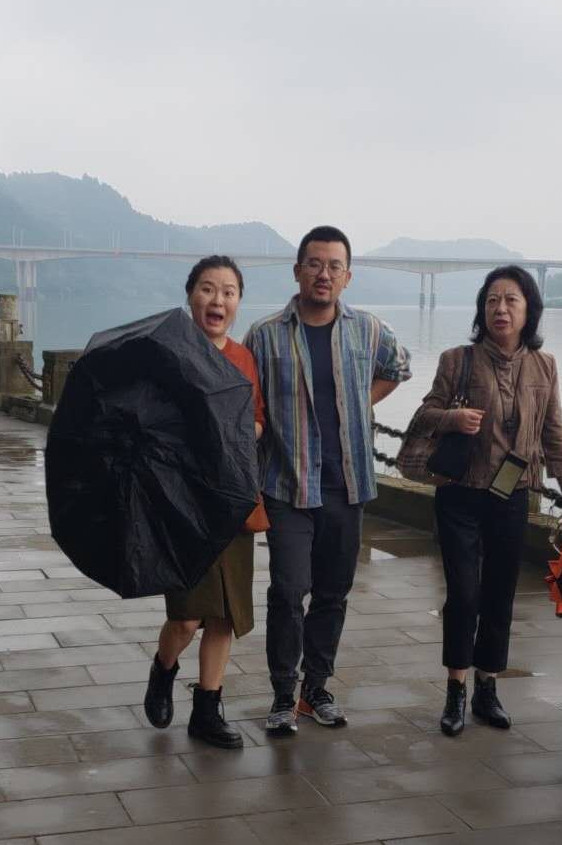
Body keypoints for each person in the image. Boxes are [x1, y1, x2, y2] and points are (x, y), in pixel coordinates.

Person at [244, 225, 410, 734]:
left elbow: (398, 367)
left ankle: (316, 689)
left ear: (348, 276)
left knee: (333, 593)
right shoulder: (265, 334)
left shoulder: (369, 329)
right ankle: (282, 693)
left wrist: (359, 400)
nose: (324, 274)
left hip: (346, 484)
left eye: (335, 266)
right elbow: (248, 400)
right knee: (288, 590)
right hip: (287, 484)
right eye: (315, 264)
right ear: (297, 271)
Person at [415, 265, 562, 737]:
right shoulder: (457, 360)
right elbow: (425, 413)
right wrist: (453, 418)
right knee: (464, 593)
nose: (500, 309)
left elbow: (554, 432)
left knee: (499, 594)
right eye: (492, 300)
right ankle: (456, 688)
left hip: (512, 496)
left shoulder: (545, 365)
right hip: (459, 495)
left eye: (511, 300)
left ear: (529, 310)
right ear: (482, 310)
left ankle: (487, 687)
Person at [143, 255, 268, 750]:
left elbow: (258, 420)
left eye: (228, 292)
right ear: (191, 295)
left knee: (224, 615)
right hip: (182, 504)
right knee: (187, 617)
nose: (218, 300)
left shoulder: (243, 358)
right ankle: (163, 668)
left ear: (237, 302)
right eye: (208, 289)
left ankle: (208, 710)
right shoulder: (166, 354)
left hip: (232, 500)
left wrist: (239, 431)